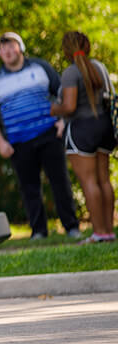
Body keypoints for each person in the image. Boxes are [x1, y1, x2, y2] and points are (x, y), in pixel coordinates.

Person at [0, 32, 80, 240]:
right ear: (0, 53)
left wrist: (63, 121)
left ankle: (71, 226)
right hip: (19, 142)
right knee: (29, 188)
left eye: (11, 45)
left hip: (48, 134)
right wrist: (0, 142)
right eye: (3, 47)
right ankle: (39, 231)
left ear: (20, 48)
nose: (7, 51)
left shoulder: (40, 67)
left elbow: (63, 94)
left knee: (60, 181)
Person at [50, 31, 115, 244]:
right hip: (105, 126)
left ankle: (98, 233)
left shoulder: (71, 72)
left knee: (89, 182)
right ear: (87, 46)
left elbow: (69, 107)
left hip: (82, 130)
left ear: (66, 50)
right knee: (104, 180)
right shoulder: (99, 67)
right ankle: (109, 231)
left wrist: (52, 109)